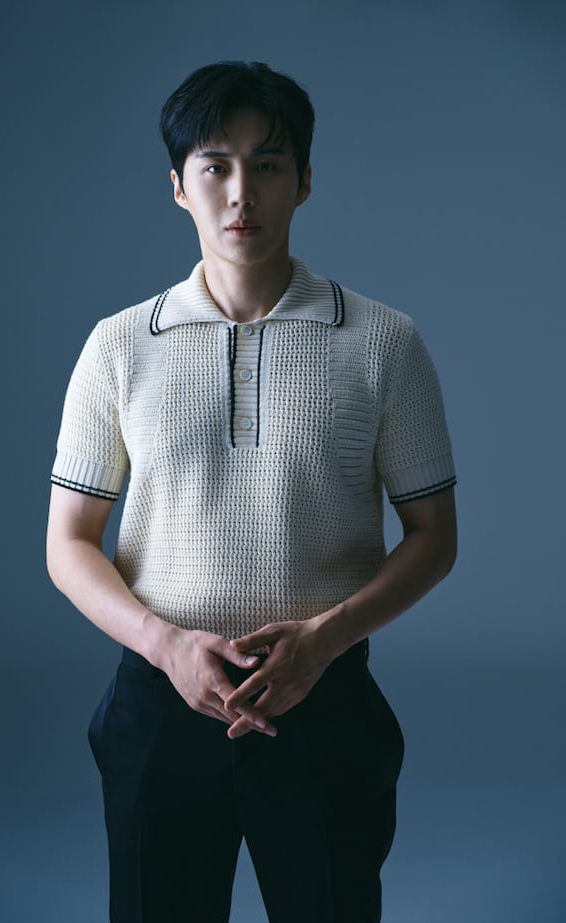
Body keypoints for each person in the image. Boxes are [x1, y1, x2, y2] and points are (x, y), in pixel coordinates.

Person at [46, 61, 457, 923]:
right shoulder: (118, 345)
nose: (242, 192)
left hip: (325, 701)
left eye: (267, 164)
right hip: (158, 704)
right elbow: (69, 540)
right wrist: (163, 644)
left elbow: (433, 535)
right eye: (215, 166)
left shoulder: (384, 342)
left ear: (303, 180)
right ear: (178, 186)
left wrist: (323, 639)